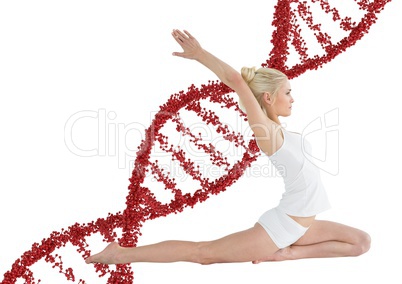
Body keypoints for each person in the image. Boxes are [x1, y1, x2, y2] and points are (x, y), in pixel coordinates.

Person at [85, 29, 371, 265]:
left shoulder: (283, 131)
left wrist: (291, 252)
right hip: (282, 226)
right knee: (203, 253)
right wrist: (200, 55)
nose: (293, 98)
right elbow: (236, 81)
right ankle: (120, 254)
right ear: (268, 99)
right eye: (287, 92)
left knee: (360, 243)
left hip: (303, 226)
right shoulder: (266, 131)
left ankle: (287, 254)